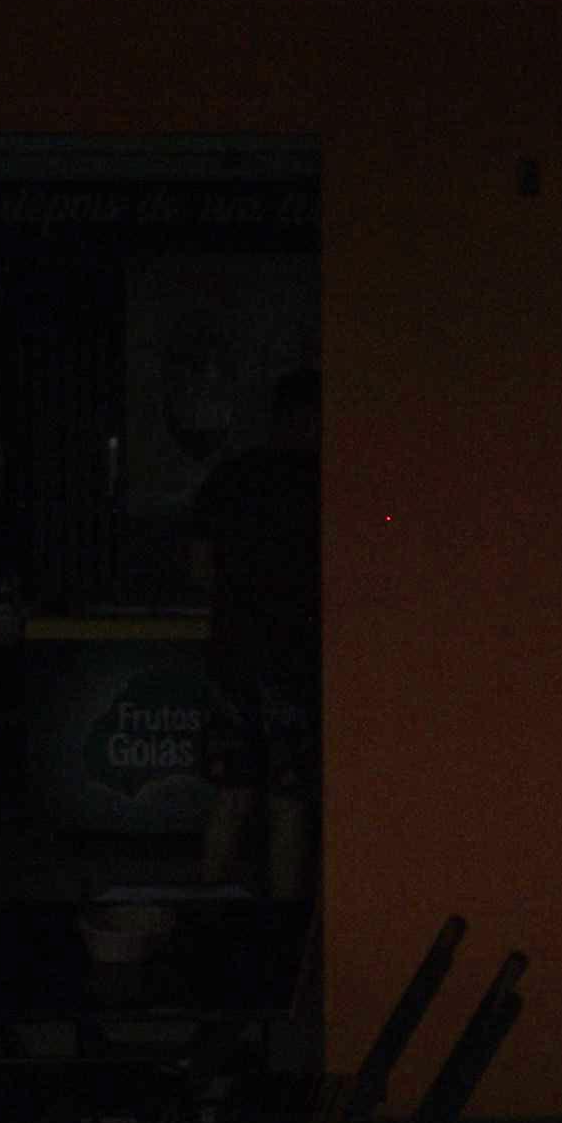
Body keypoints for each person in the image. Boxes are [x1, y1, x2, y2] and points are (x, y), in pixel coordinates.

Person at [188, 365, 321, 899]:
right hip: (292, 659)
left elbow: (200, 568)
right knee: (289, 798)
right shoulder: (320, 481)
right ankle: (284, 923)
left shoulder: (230, 478)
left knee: (235, 793)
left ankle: (209, 911)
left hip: (233, 656)